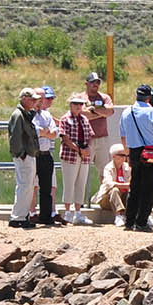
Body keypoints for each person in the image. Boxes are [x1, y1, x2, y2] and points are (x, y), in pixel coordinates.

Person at [118, 84, 153, 232]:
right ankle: (142, 221)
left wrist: (128, 153)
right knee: (149, 188)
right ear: (149, 97)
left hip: (133, 151)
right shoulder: (152, 112)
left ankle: (129, 220)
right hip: (149, 152)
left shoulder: (127, 112)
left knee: (135, 186)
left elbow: (123, 135)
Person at [58, 93, 96, 225]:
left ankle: (78, 212)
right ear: (70, 105)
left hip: (84, 156)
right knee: (69, 183)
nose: (78, 106)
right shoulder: (65, 119)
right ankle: (68, 212)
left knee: (81, 183)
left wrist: (87, 150)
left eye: (81, 104)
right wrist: (79, 150)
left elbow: (91, 136)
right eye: (76, 104)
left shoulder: (84, 119)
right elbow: (65, 138)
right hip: (70, 155)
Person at [7, 87, 41, 229]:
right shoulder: (18, 115)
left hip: (29, 155)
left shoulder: (24, 114)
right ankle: (18, 217)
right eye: (32, 99)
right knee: (24, 186)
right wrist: (21, 154)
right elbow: (15, 137)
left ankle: (22, 215)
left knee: (27, 186)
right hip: (24, 156)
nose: (35, 102)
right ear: (24, 99)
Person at [81, 72, 117, 181]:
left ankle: (104, 197)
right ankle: (80, 198)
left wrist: (93, 110)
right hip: (86, 140)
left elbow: (110, 111)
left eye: (97, 82)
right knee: (82, 172)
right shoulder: (80, 98)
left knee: (105, 172)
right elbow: (82, 114)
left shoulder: (105, 97)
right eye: (92, 82)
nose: (95, 84)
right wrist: (101, 112)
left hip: (102, 139)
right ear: (86, 83)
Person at [33, 86, 61, 226]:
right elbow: (34, 131)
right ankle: (28, 214)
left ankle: (45, 216)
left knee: (46, 187)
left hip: (46, 154)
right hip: (33, 155)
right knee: (29, 186)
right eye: (38, 98)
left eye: (42, 98)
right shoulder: (28, 114)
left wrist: (46, 132)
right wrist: (45, 132)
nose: (40, 101)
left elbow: (55, 132)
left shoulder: (46, 115)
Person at [93, 144, 132, 224]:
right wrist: (125, 185)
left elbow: (131, 182)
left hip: (123, 197)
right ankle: (118, 216)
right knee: (114, 190)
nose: (124, 157)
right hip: (107, 199)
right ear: (114, 156)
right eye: (121, 155)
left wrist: (127, 185)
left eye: (125, 155)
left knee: (132, 193)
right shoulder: (108, 168)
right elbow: (109, 183)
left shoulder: (127, 167)